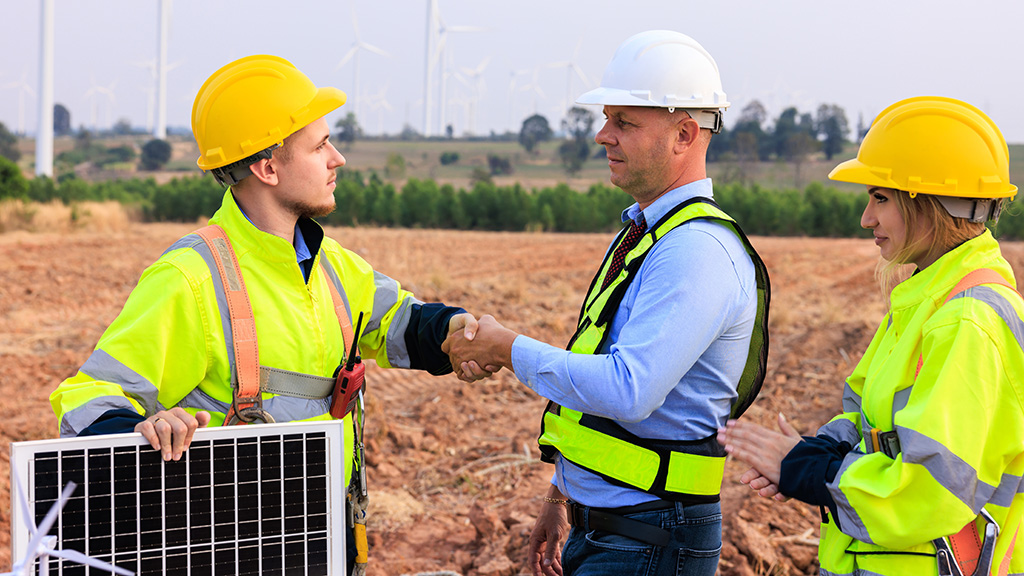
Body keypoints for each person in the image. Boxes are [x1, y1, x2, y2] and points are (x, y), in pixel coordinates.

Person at [49, 54, 481, 574]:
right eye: (320, 145)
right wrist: (141, 427)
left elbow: (400, 323)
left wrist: (457, 330)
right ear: (267, 167)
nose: (338, 158)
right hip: (228, 546)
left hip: (325, 531)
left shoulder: (330, 264)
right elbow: (88, 398)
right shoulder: (191, 278)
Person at [443, 30, 770, 576]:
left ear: (684, 135)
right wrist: (562, 493)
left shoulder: (696, 250)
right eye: (607, 118)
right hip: (619, 526)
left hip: (653, 535)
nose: (602, 136)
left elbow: (628, 390)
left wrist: (506, 348)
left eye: (624, 122)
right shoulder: (650, 234)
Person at [717, 96, 1024, 576]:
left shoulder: (965, 323)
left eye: (880, 197)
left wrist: (813, 473)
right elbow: (868, 421)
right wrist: (810, 453)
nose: (867, 218)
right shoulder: (925, 303)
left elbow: (930, 491)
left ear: (929, 203)